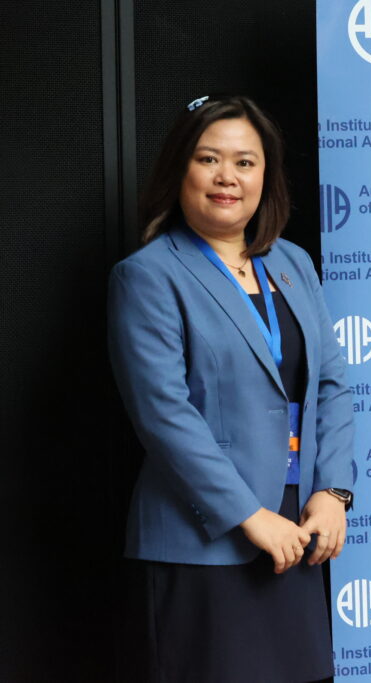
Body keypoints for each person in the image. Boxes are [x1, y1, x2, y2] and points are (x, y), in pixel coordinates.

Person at [108, 95, 355, 682]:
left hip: (296, 532)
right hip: (207, 537)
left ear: (265, 176)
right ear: (180, 170)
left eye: (245, 162)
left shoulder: (293, 262)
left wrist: (333, 492)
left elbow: (332, 385)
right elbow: (164, 416)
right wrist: (248, 514)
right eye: (208, 159)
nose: (228, 177)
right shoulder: (148, 276)